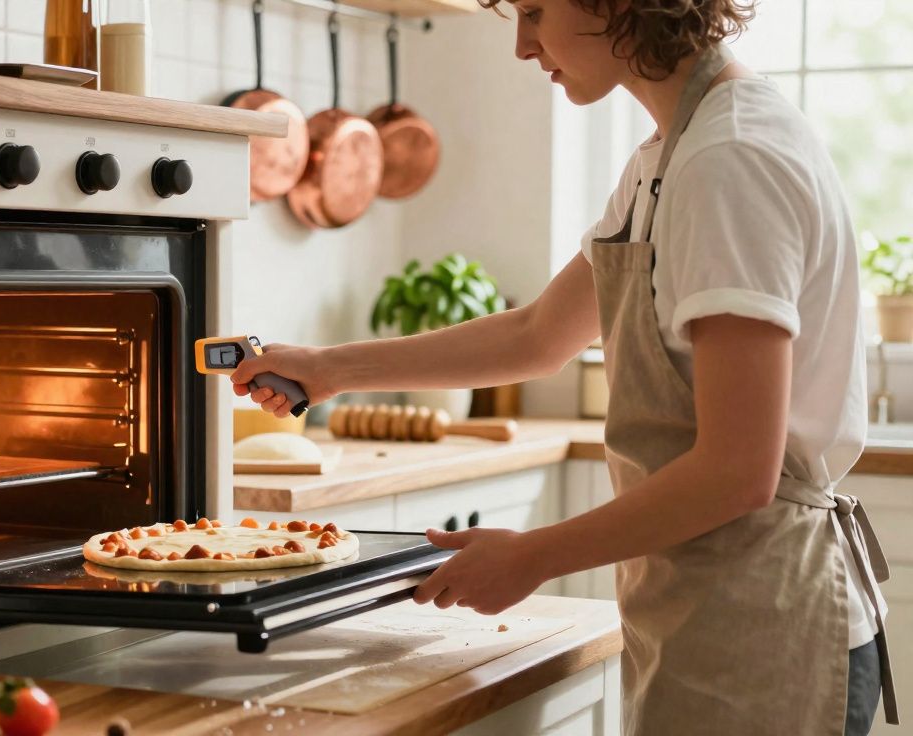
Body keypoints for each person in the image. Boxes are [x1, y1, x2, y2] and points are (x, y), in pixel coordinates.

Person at [229, 1, 898, 733]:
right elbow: (539, 334)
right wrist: (330, 368)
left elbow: (738, 470)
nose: (521, 45)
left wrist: (530, 557)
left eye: (537, 10)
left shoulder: (729, 158)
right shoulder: (668, 155)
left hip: (766, 623)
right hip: (707, 606)